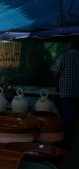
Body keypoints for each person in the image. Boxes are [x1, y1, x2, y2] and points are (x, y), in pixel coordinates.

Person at [51, 40, 79, 168]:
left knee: (67, 117)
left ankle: (66, 142)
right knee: (72, 117)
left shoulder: (63, 56)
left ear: (69, 45)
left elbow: (55, 73)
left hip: (66, 91)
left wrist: (57, 85)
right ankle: (70, 138)